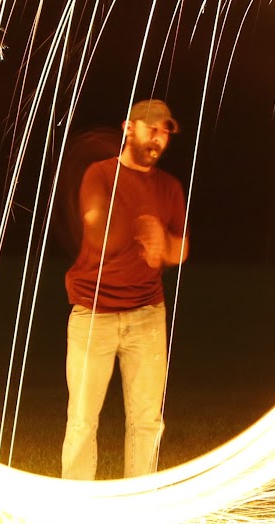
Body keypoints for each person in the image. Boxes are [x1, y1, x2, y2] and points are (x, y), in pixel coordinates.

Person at [61, 98, 189, 480]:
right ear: (128, 127)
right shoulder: (99, 174)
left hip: (147, 315)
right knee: (83, 419)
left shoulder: (169, 187)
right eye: (151, 129)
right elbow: (97, 232)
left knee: (148, 420)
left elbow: (181, 248)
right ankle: (76, 504)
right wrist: (135, 227)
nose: (158, 139)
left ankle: (138, 502)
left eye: (165, 132)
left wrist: (162, 244)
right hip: (92, 313)